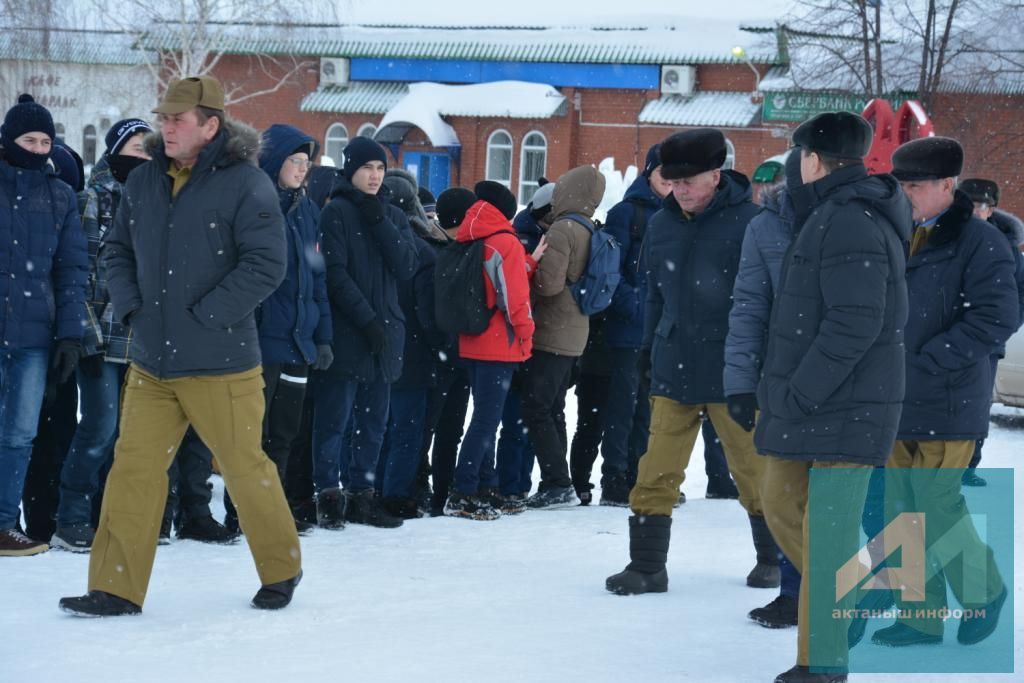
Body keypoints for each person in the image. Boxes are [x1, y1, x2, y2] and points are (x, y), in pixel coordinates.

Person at [59, 76, 302, 616]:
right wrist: (135, 309)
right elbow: (117, 250)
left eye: (178, 120)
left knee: (245, 469)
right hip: (152, 362)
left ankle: (282, 567)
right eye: (163, 118)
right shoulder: (144, 180)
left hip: (222, 362)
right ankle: (115, 587)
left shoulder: (245, 183)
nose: (166, 127)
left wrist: (207, 317)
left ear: (210, 125)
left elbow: (266, 264)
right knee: (133, 471)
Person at [753, 112, 911, 683]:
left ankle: (822, 663)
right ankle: (861, 587)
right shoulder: (829, 213)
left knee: (828, 535)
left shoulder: (850, 220)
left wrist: (800, 390)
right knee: (779, 500)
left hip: (845, 406)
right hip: (817, 406)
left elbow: (855, 321)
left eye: (798, 156)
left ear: (814, 160)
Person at [605, 129, 770, 596]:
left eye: (690, 181)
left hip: (733, 368)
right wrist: (648, 350)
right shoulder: (661, 223)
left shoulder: (752, 223)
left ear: (717, 175)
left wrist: (757, 364)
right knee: (655, 469)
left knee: (753, 471)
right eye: (673, 182)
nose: (681, 191)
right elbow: (654, 295)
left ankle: (772, 560)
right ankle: (647, 566)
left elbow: (768, 302)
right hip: (674, 364)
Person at [868, 138, 1015, 650]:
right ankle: (920, 617)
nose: (904, 194)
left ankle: (984, 592)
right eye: (900, 185)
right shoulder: (898, 232)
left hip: (949, 400)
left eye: (915, 186)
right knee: (900, 513)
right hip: (896, 400)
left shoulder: (979, 241)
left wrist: (931, 360)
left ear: (948, 186)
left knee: (936, 506)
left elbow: (997, 317)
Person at [220, 123, 333, 536]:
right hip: (258, 341)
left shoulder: (308, 211)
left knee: (284, 435)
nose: (303, 169)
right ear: (274, 160)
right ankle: (240, 512)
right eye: (295, 160)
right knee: (252, 436)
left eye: (307, 162)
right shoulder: (252, 203)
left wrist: (322, 337)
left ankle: (271, 511)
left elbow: (318, 279)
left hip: (297, 342)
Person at [50, 119, 154, 552]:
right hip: (101, 337)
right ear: (115, 150)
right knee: (99, 427)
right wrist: (85, 335)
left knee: (133, 437)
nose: (143, 155)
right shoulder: (91, 199)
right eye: (135, 146)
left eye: (149, 148)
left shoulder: (160, 201)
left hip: (145, 341)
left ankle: (110, 518)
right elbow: (80, 273)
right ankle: (71, 517)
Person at [311, 136, 417, 529]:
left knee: (374, 422)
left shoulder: (392, 214)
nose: (374, 176)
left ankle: (362, 496)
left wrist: (378, 219)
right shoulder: (335, 212)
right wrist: (367, 320)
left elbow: (407, 265)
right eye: (366, 169)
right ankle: (328, 495)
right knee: (334, 419)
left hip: (387, 331)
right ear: (350, 170)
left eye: (380, 169)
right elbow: (334, 274)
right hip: (349, 331)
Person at [724, 150, 810, 629]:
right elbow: (750, 307)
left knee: (841, 503)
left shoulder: (857, 219)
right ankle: (794, 591)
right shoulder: (766, 226)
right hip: (780, 382)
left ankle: (839, 594)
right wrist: (740, 382)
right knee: (782, 497)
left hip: (850, 386)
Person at [0, 95, 88, 557]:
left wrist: (70, 334)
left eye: (45, 141)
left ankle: (1, 524)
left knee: (19, 434)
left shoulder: (60, 197)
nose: (37, 148)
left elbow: (71, 270)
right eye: (28, 139)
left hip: (35, 336)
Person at [444, 181, 534, 520]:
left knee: (483, 417)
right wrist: (526, 335)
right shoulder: (504, 242)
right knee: (486, 421)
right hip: (500, 344)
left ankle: (483, 484)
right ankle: (464, 490)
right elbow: (514, 298)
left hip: (472, 340)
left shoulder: (471, 237)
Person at [520, 165, 605, 509]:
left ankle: (557, 482)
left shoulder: (562, 229)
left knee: (537, 406)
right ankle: (559, 481)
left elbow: (549, 284)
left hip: (552, 330)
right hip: (578, 331)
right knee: (553, 407)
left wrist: (531, 273)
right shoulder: (590, 227)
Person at [376, 168, 446, 519]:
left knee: (377, 426)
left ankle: (371, 488)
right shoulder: (424, 252)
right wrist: (442, 348)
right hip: (415, 353)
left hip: (379, 347)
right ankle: (396, 494)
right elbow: (429, 313)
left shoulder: (371, 242)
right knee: (407, 429)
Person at [955, 177, 1024, 487]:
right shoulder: (944, 236)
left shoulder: (1006, 248)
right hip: (941, 335)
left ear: (992, 209)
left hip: (986, 344)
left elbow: (1019, 296)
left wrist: (998, 329)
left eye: (981, 206)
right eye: (969, 204)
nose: (975, 211)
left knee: (976, 405)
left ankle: (969, 464)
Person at [423, 187, 476, 515]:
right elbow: (430, 312)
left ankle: (441, 494)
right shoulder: (432, 251)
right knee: (426, 429)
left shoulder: (465, 249)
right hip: (437, 357)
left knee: (451, 431)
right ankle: (420, 490)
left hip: (461, 355)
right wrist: (442, 345)